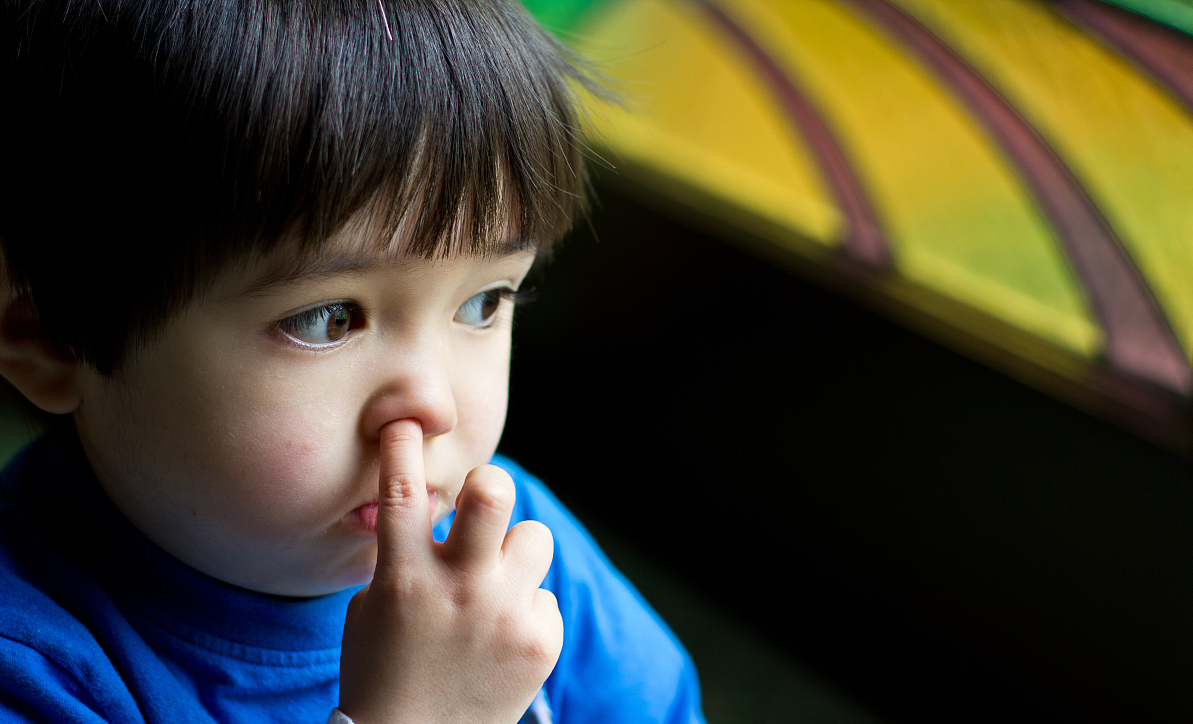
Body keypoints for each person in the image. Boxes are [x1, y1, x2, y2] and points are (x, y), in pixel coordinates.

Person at [0, 1, 706, 722]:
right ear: (51, 339)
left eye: (483, 303)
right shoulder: (33, 669)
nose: (434, 406)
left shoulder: (511, 546)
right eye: (327, 319)